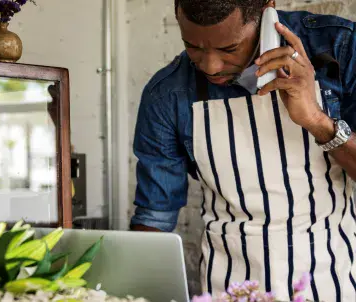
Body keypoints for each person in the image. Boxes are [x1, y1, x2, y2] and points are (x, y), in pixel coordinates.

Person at [130, 0, 356, 300]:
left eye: (229, 48)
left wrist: (316, 119)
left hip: (332, 285)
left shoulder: (340, 47)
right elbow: (155, 219)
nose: (210, 66)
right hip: (228, 289)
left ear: (266, 9)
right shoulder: (167, 95)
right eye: (192, 46)